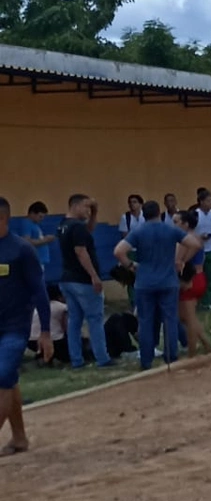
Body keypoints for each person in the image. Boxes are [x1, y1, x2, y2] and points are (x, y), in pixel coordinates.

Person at [115, 201, 202, 371]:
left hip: (145, 282)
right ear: (159, 213)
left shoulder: (138, 231)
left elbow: (118, 251)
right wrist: (180, 261)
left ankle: (146, 361)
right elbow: (196, 244)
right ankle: (171, 356)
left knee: (146, 321)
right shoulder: (170, 229)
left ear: (143, 214)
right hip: (168, 281)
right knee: (170, 319)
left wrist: (131, 266)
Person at [0, 196, 53, 457]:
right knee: (9, 380)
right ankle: (19, 438)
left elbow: (40, 292)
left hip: (14, 327)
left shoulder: (21, 250)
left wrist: (45, 332)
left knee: (2, 377)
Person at [58, 193, 112, 368]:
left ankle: (76, 359)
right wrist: (94, 276)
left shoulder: (63, 226)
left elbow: (88, 231)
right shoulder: (77, 227)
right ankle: (102, 358)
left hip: (67, 278)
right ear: (75, 206)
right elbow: (81, 251)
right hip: (83, 280)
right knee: (95, 319)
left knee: (74, 321)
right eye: (85, 207)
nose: (88, 211)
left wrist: (95, 212)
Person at [174, 211, 211, 357]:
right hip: (198, 277)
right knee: (186, 316)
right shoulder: (196, 238)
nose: (174, 225)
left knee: (188, 318)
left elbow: (178, 262)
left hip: (190, 280)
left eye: (176, 222)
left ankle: (192, 351)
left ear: (185, 224)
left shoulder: (186, 240)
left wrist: (179, 262)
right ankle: (206, 344)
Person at [30, 285, 69, 364]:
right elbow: (65, 327)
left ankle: (42, 355)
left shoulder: (36, 306)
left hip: (31, 341)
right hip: (53, 340)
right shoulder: (62, 307)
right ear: (59, 296)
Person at [16, 201, 53, 276]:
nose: (42, 219)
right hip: (34, 261)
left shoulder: (34, 224)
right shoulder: (27, 223)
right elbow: (26, 241)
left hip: (39, 261)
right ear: (32, 213)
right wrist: (45, 240)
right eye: (40, 216)